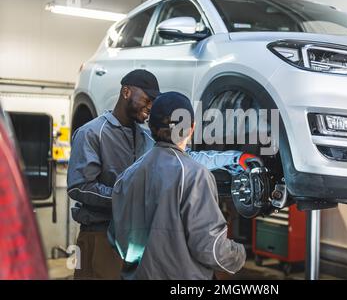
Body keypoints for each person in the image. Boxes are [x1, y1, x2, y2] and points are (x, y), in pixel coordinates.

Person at [67, 69, 257, 279]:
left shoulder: (147, 136)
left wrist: (234, 158)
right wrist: (128, 197)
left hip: (137, 236)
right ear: (126, 91)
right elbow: (79, 186)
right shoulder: (91, 133)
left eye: (153, 102)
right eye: (147, 99)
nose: (150, 106)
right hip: (100, 234)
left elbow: (187, 158)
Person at [110, 92, 246, 280]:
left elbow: (116, 239)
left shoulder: (127, 176)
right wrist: (238, 254)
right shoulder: (195, 175)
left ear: (150, 126)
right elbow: (211, 249)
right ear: (192, 128)